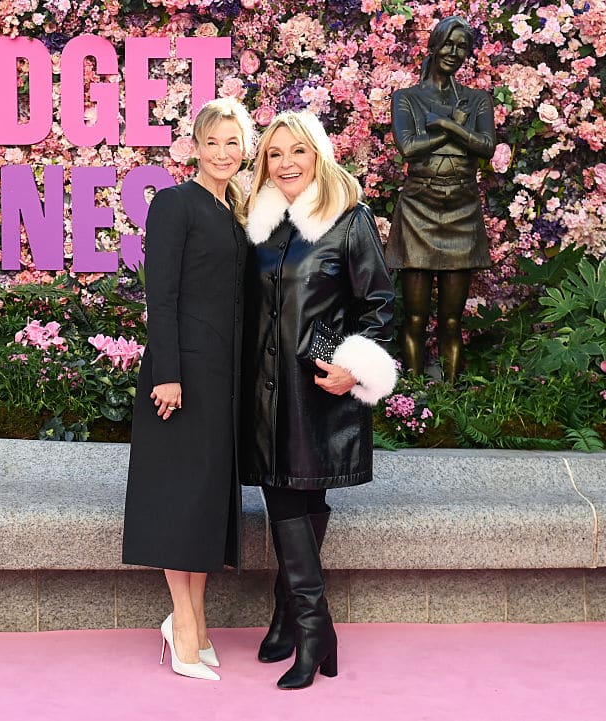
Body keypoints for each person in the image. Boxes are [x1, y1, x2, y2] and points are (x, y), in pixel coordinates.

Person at [242, 111, 397, 689]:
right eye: (274, 154)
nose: (285, 163)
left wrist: (351, 366)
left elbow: (378, 304)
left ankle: (313, 630)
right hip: (263, 395)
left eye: (297, 152)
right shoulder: (257, 225)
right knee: (292, 501)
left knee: (296, 499)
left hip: (319, 394)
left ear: (319, 156)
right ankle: (293, 620)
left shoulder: (349, 220)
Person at [121, 98, 254, 681]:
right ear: (194, 146)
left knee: (204, 503)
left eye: (233, 143)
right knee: (181, 502)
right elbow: (162, 296)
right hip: (182, 378)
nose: (223, 153)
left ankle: (191, 622)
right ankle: (183, 623)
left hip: (221, 380)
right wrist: (167, 374)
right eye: (213, 142)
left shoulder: (237, 211)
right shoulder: (175, 203)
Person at [385, 15, 496, 383]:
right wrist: (460, 130)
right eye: (448, 43)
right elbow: (408, 146)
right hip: (419, 207)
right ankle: (414, 400)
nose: (454, 52)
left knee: (452, 319)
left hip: (461, 210)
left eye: (462, 47)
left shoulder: (477, 100)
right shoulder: (407, 98)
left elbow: (487, 147)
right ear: (433, 45)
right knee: (414, 316)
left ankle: (451, 401)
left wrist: (445, 124)